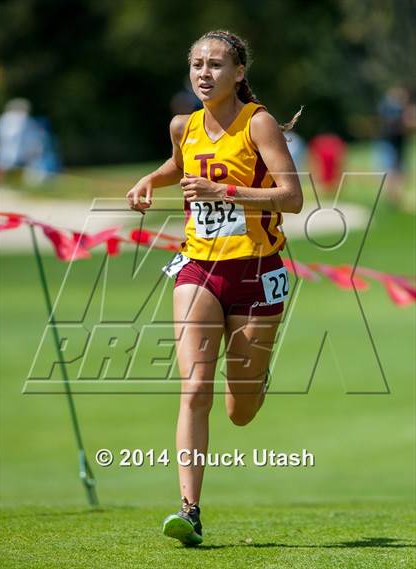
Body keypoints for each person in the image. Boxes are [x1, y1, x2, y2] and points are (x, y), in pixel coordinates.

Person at [126, 29, 303, 547]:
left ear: (239, 73)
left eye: (217, 65)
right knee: (195, 387)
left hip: (255, 272)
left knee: (240, 411)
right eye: (198, 64)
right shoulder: (185, 125)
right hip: (198, 269)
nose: (205, 73)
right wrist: (149, 182)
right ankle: (189, 510)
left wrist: (222, 191)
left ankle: (255, 379)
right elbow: (180, 167)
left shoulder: (259, 124)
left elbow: (291, 198)